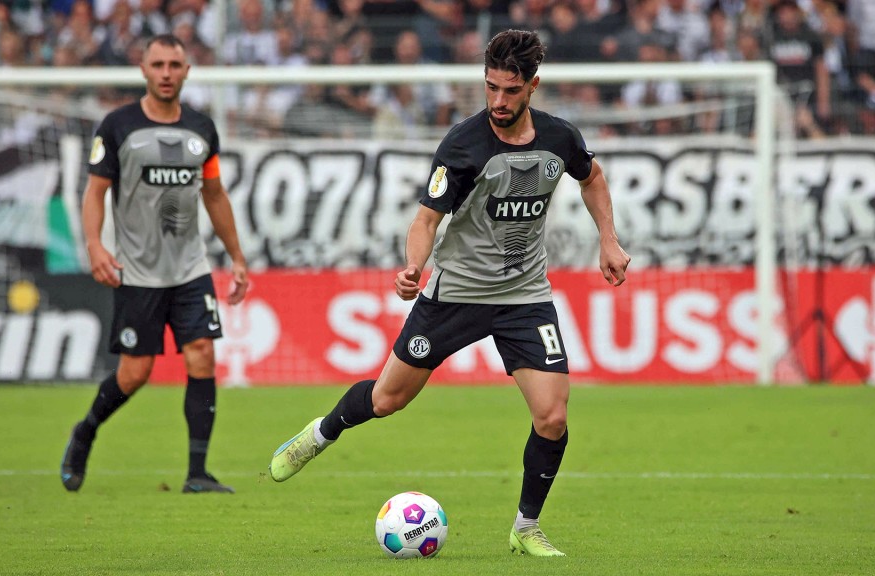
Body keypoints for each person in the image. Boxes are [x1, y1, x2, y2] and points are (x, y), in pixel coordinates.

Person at [268, 29, 630, 556]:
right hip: (455, 292)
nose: (498, 101)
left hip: (525, 295)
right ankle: (320, 433)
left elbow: (591, 176)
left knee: (552, 417)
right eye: (490, 88)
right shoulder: (464, 144)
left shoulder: (560, 138)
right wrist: (414, 265)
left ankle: (526, 527)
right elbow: (426, 218)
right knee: (388, 399)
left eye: (509, 90)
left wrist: (609, 239)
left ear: (532, 86)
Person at [61, 34, 249, 494]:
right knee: (135, 373)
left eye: (175, 65)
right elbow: (95, 192)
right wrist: (95, 246)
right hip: (138, 271)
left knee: (202, 355)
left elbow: (214, 194)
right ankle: (85, 430)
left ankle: (198, 473)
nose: (166, 73)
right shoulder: (117, 126)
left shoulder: (203, 128)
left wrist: (238, 258)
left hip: (189, 267)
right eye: (158, 64)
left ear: (187, 71)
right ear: (144, 71)